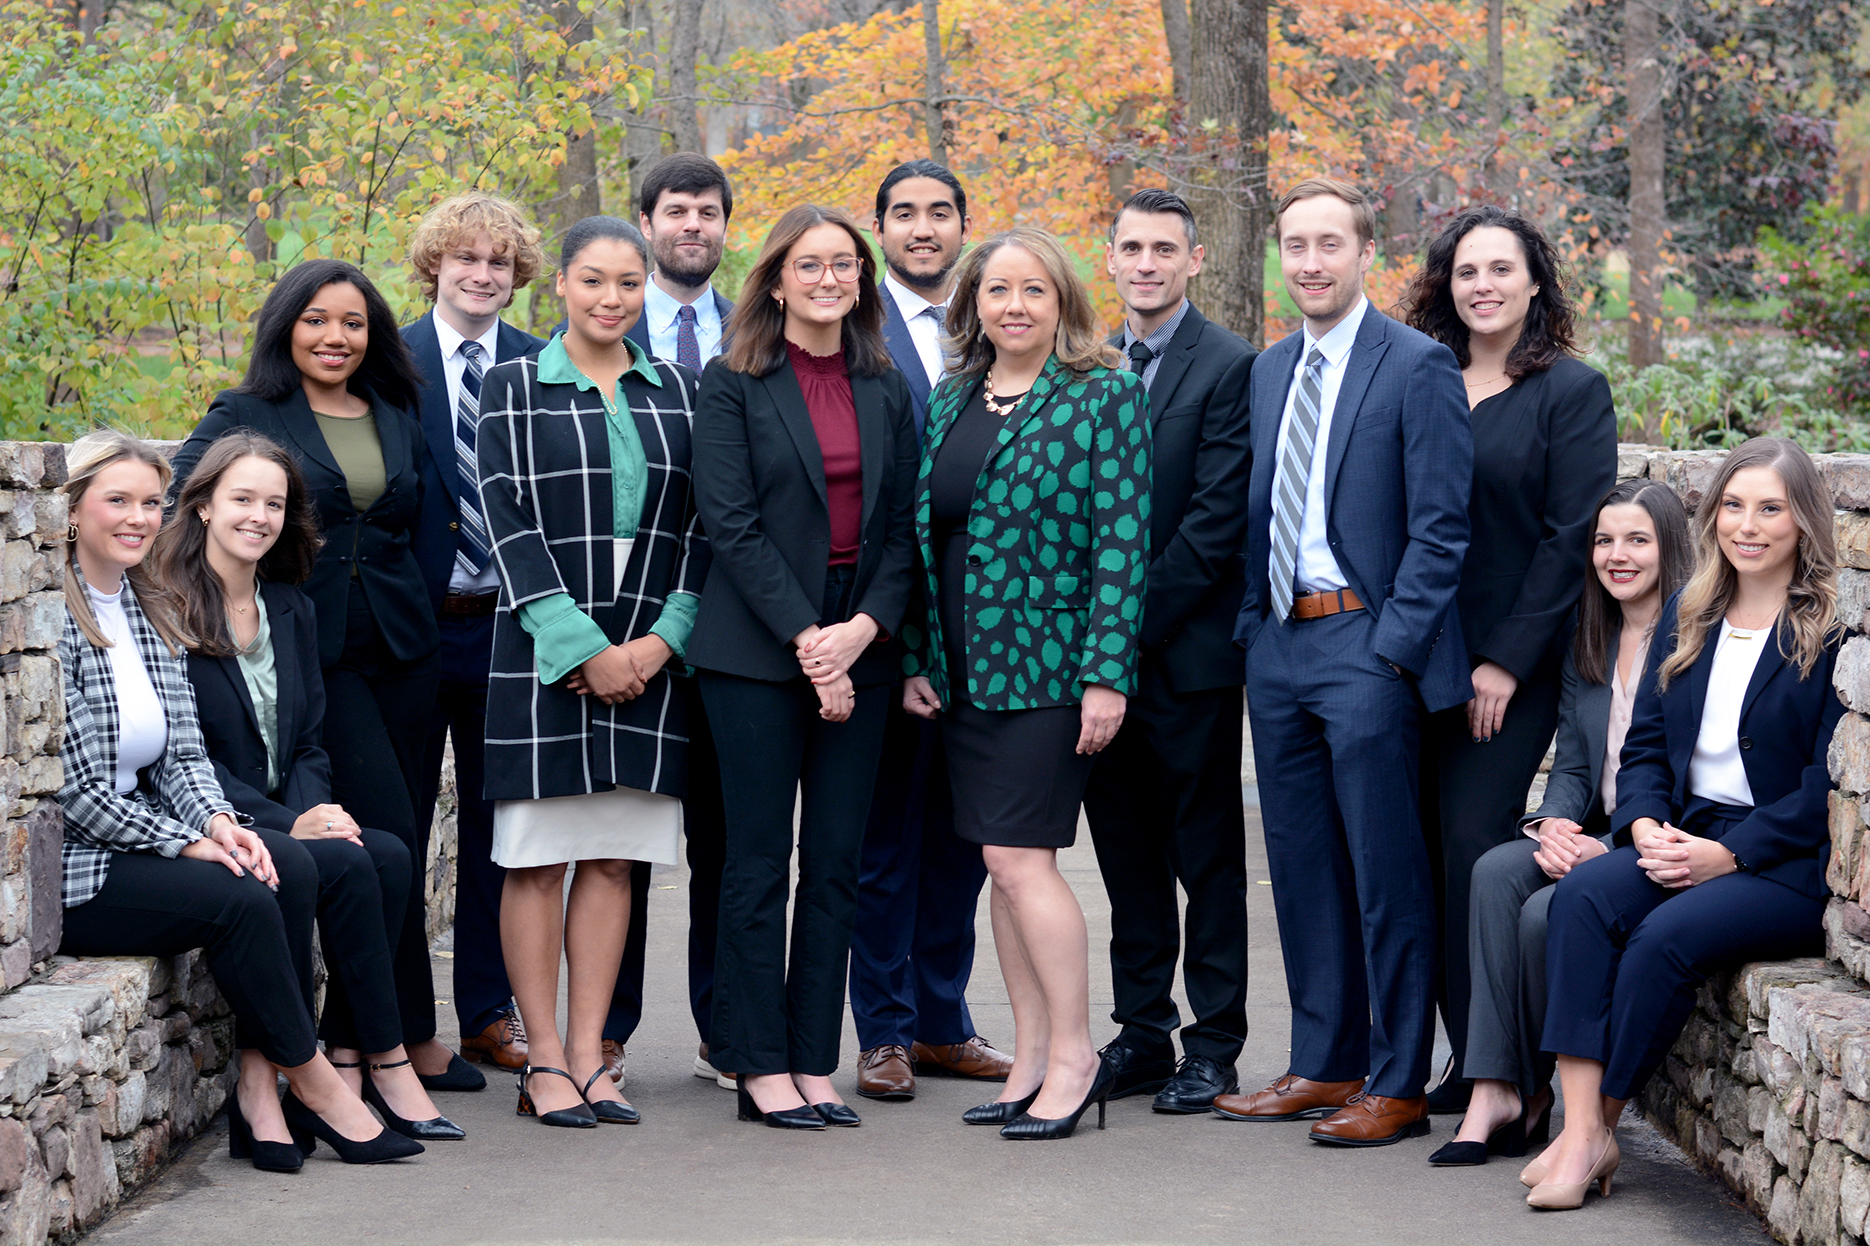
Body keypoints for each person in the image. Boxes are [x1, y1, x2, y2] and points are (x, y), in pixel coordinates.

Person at [56, 430, 423, 1170]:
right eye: (117, 500)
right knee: (248, 894)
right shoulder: (54, 621)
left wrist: (219, 823)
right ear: (70, 511)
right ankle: (314, 1085)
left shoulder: (145, 607)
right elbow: (76, 794)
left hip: (149, 836)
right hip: (84, 866)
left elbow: (183, 757)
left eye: (149, 502)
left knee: (267, 863)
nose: (138, 517)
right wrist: (188, 841)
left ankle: (266, 1096)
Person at [168, 260, 473, 1092]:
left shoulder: (395, 411)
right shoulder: (246, 412)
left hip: (406, 647)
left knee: (404, 839)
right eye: (315, 320)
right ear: (286, 326)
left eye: (353, 323)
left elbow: (419, 522)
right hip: (315, 651)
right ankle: (363, 1044)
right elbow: (182, 507)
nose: (335, 337)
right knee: (370, 833)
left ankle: (401, 1029)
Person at [1212, 178, 1472, 1147]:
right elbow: (1257, 507)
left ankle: (1398, 1079)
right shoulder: (1270, 368)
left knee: (1384, 870)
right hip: (1280, 644)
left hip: (1367, 643)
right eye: (1296, 245)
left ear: (1367, 253)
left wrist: (1392, 648)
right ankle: (1326, 1060)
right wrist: (1255, 624)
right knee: (1301, 867)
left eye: (1330, 243)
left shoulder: (1417, 365)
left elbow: (1443, 528)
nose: (1311, 262)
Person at [1532, 438, 1843, 1209]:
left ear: (1803, 520)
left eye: (1770, 508)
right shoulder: (1691, 611)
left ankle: (1599, 1128)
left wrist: (1728, 856)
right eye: (1733, 505)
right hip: (1683, 831)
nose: (1747, 525)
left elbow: (1823, 788)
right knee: (1582, 898)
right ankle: (1580, 1129)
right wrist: (1643, 826)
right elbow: (1643, 746)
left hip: (1779, 863)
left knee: (1662, 938)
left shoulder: (1829, 630)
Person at [902, 226, 1151, 1141]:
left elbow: (1123, 544)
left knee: (1019, 861)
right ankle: (1032, 1058)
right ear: (974, 304)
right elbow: (926, 538)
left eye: (1033, 289)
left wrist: (1106, 675)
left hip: (1051, 670)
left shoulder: (1105, 395)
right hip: (963, 671)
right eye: (997, 290)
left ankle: (1076, 1058)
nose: (1014, 305)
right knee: (998, 867)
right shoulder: (951, 396)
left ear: (1062, 303)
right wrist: (919, 657)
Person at [688, 204, 919, 1130]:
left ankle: (814, 1059)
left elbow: (902, 529)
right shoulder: (732, 382)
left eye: (845, 265)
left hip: (862, 642)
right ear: (777, 281)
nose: (830, 279)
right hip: (754, 651)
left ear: (861, 281)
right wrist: (810, 642)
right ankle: (757, 1063)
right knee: (753, 863)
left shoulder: (885, 385)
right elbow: (731, 525)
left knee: (835, 863)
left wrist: (860, 631)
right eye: (810, 265)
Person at [475, 216, 707, 1129]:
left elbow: (702, 528)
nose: (612, 299)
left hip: (651, 656)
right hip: (544, 656)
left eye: (628, 283)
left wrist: (658, 643)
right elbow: (506, 521)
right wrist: (581, 647)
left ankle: (588, 1054)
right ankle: (542, 1060)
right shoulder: (511, 384)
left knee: (613, 862)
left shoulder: (679, 390)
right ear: (561, 285)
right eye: (594, 281)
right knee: (537, 861)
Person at [1397, 205, 1620, 1114]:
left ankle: (1497, 1065)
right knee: (1414, 853)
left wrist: (1503, 660)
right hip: (1409, 656)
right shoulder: (1420, 376)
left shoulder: (1571, 390)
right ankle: (1440, 1058)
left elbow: (1572, 539)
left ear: (1535, 283)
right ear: (1444, 285)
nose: (1482, 285)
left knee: (1470, 844)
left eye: (1501, 269)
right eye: (1465, 271)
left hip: (1506, 667)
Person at [1428, 480, 1692, 1167]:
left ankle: (1538, 1088)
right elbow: (1574, 764)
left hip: (1662, 838)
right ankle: (1494, 1089)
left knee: (1543, 915)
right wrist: (1550, 825)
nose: (1617, 555)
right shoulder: (1591, 634)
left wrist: (1608, 845)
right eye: (1604, 540)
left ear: (1670, 546)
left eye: (1637, 540)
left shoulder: (1696, 640)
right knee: (1494, 871)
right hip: (1595, 827)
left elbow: (1692, 782)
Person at [1084, 187, 1256, 1113]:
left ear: (1194, 260)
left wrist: (1120, 625)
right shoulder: (1087, 362)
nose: (1145, 264)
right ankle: (1142, 1032)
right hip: (1099, 672)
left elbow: (1215, 522)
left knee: (1206, 859)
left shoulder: (1229, 365)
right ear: (1109, 258)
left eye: (1163, 249)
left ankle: (1215, 1043)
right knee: (1127, 858)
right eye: (1131, 248)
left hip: (1186, 660)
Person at [849, 158, 1013, 1102]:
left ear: (962, 224)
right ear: (880, 229)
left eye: (940, 212)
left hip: (984, 635)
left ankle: (943, 1021)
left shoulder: (998, 325)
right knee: (887, 845)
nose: (923, 228)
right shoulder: (854, 328)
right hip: (886, 629)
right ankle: (884, 1030)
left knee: (962, 845)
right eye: (904, 213)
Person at [402, 192, 547, 1080]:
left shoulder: (543, 363)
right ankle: (403, 1020)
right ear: (436, 264)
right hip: (413, 632)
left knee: (502, 831)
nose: (482, 274)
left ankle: (490, 1014)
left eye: (499, 261)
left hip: (510, 630)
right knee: (402, 826)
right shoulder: (390, 363)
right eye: (466, 257)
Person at [624, 152, 737, 1090]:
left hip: (734, 629)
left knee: (727, 847)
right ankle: (605, 1035)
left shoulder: (762, 330)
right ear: (647, 223)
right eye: (675, 210)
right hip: (629, 629)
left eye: (707, 211)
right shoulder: (601, 331)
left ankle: (724, 1032)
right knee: (619, 846)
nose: (692, 225)